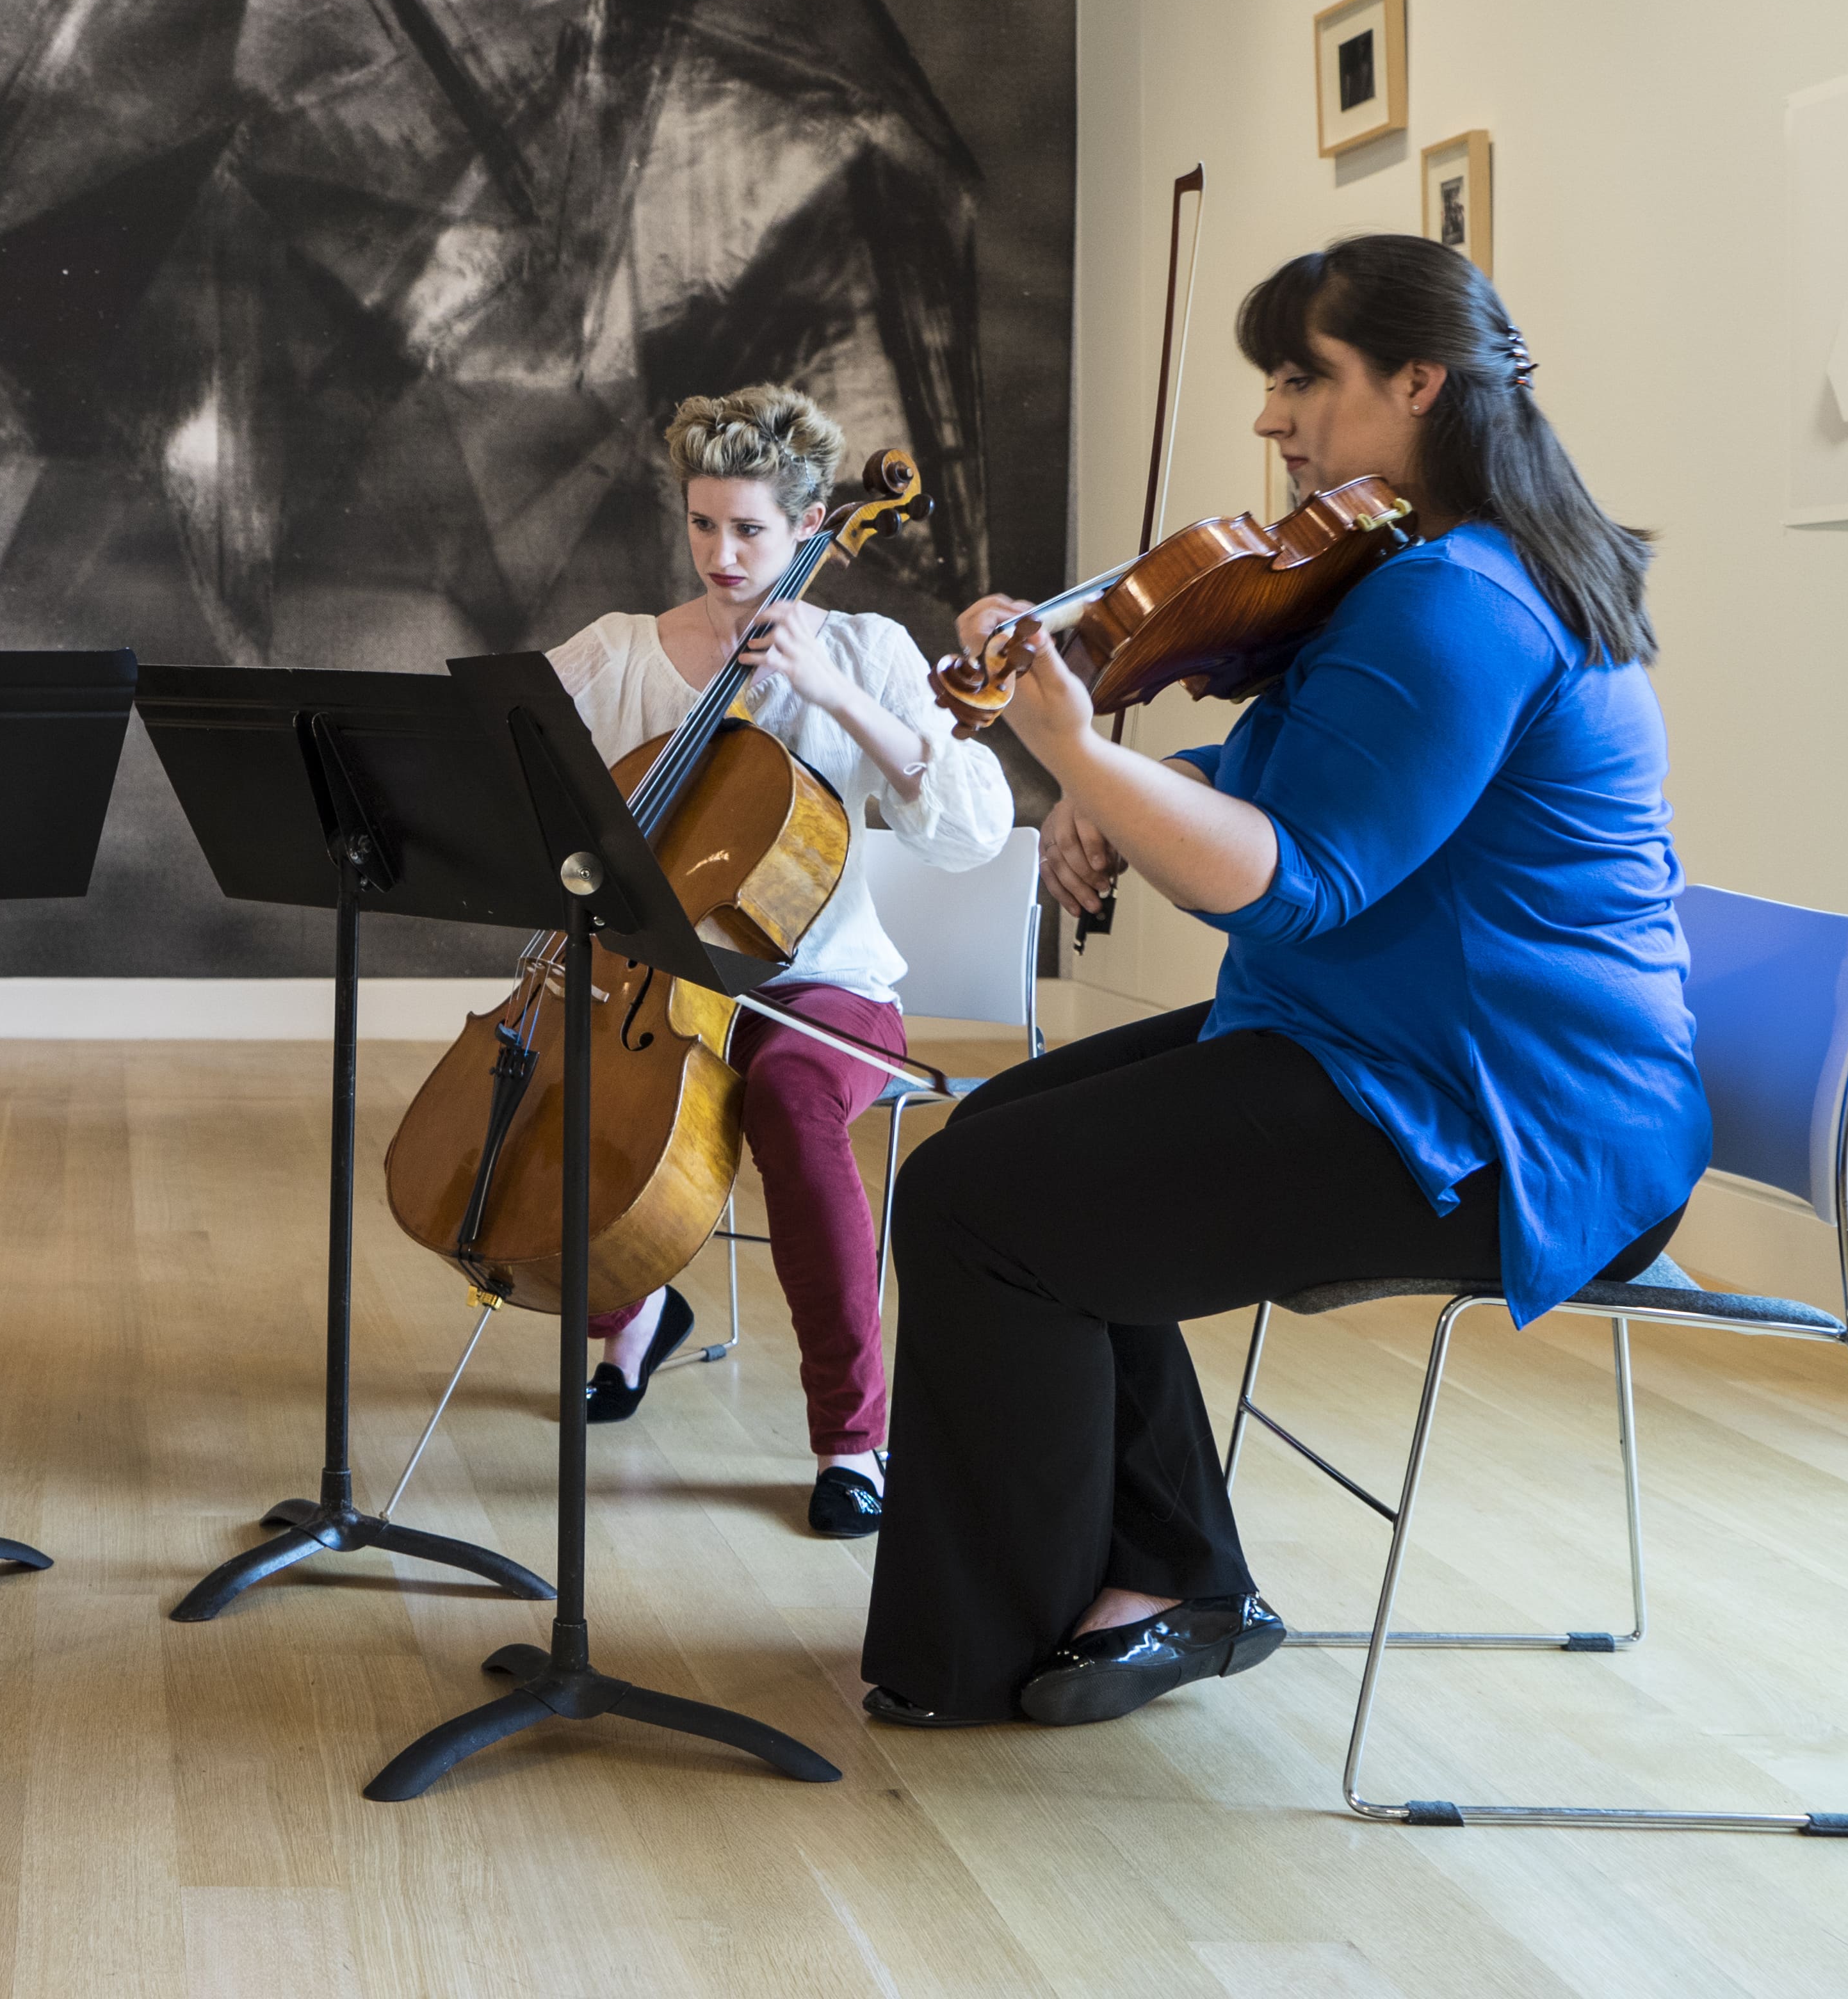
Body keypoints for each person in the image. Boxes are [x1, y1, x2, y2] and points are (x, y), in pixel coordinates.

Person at [862, 234, 1706, 1730]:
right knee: (991, 1152)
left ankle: (1032, 1626)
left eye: (1303, 376)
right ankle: (1173, 1576)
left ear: (1419, 381)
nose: (1273, 419)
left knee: (981, 1206)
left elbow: (1294, 873)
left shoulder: (1465, 602)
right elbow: (1300, 775)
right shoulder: (1426, 568)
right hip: (1386, 1043)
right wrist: (1116, 782)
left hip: (1495, 1120)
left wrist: (1078, 752)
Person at [542, 387, 1013, 1537]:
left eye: (750, 530)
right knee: (605, 1100)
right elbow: (513, 765)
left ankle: (856, 1440)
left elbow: (971, 828)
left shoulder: (868, 650)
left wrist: (833, 693)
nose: (721, 553)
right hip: (665, 982)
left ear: (810, 529)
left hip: (827, 993)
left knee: (795, 1111)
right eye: (703, 524)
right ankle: (637, 1318)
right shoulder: (621, 655)